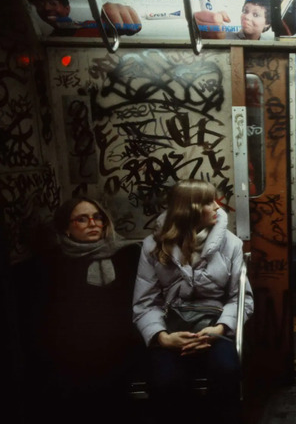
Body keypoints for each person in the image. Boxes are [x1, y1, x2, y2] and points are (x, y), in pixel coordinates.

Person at [132, 179, 254, 424]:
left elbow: (241, 299)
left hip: (213, 324)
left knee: (227, 370)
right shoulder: (154, 246)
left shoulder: (230, 244)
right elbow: (145, 303)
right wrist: (163, 338)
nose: (218, 208)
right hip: (171, 326)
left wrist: (219, 329)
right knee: (165, 381)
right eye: (209, 202)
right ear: (189, 209)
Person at [31, 197, 142, 423]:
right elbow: (51, 318)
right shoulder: (53, 262)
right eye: (82, 219)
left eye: (97, 217)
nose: (92, 223)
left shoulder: (128, 254)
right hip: (75, 355)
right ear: (67, 228)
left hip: (123, 347)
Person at [26, 0, 142, 36]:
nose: (46, 8)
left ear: (67, 9)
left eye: (53, 3)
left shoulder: (89, 27)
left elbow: (111, 31)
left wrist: (113, 15)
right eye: (40, 5)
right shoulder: (46, 38)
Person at [194, 0, 271, 40]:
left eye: (255, 15)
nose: (247, 17)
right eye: (245, 11)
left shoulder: (270, 43)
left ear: (267, 23)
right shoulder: (224, 37)